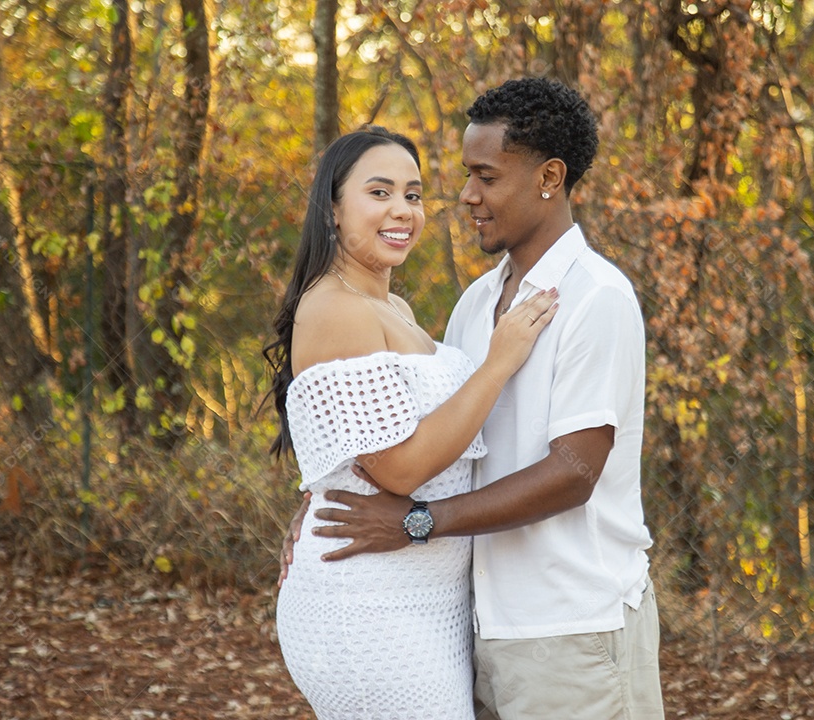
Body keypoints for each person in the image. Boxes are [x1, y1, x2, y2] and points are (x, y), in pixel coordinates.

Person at [282, 78, 666, 719]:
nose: (466, 195)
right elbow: (416, 427)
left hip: (570, 627)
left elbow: (575, 472)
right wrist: (326, 492)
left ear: (549, 178)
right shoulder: (477, 303)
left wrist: (418, 522)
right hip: (473, 622)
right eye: (466, 176)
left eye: (486, 177)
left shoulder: (595, 298)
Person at [264, 126, 558, 719]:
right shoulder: (336, 309)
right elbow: (398, 470)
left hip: (420, 598)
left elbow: (363, 443)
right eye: (379, 192)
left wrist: (320, 489)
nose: (402, 210)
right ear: (333, 209)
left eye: (413, 194)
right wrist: (498, 363)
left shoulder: (391, 307)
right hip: (368, 606)